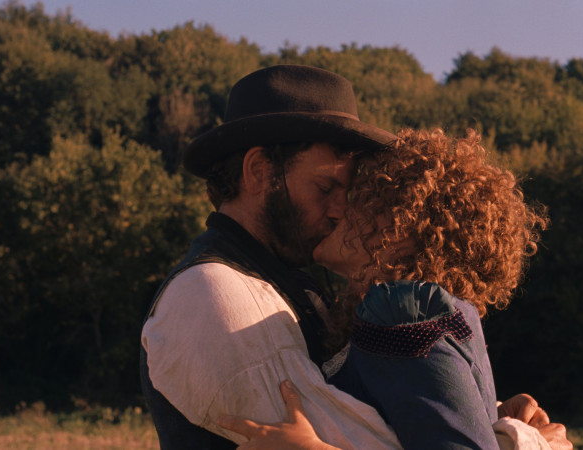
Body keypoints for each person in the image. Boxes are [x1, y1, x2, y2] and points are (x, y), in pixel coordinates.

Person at [219, 129, 573, 449]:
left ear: (404, 226)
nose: (339, 210)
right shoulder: (413, 314)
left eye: (364, 197)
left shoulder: (406, 311)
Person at [140, 64, 402, 449]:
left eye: (344, 194)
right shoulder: (211, 291)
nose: (339, 211)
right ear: (259, 172)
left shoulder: (279, 283)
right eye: (325, 188)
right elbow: (365, 440)